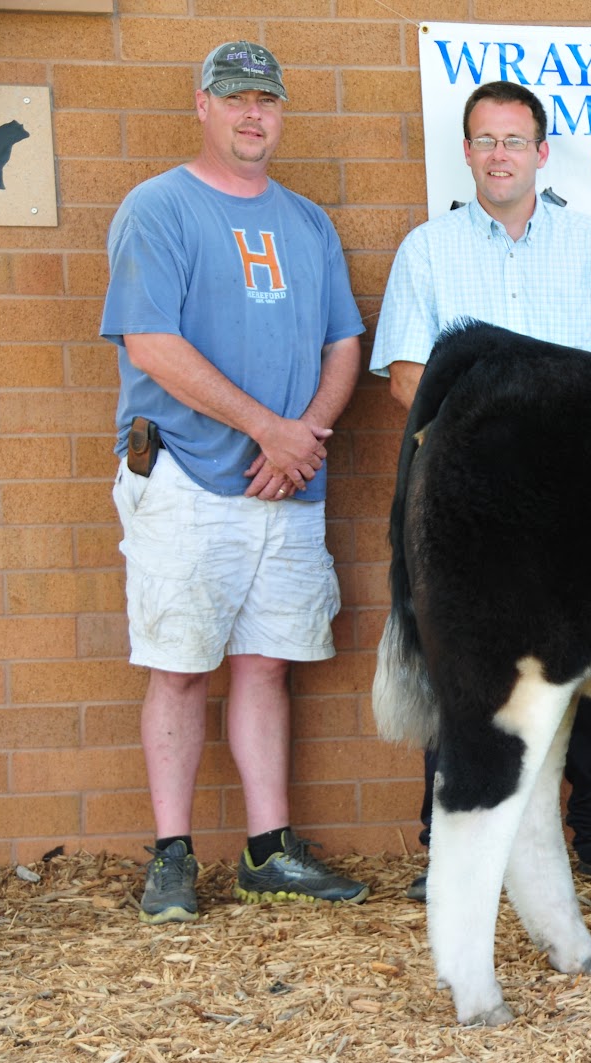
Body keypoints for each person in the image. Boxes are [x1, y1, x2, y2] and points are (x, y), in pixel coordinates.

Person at [101, 41, 369, 923]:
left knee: (265, 665)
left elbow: (343, 343)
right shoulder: (160, 208)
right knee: (179, 667)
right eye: (236, 97)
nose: (254, 113)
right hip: (185, 474)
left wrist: (305, 438)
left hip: (285, 485)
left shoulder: (305, 222)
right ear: (203, 106)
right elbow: (152, 344)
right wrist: (269, 428)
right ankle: (173, 857)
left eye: (267, 99)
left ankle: (268, 850)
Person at [371, 80, 591, 901]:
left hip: (573, 498)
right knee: (467, 668)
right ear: (467, 153)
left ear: (540, 151)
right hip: (473, 504)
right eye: (485, 141)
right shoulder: (428, 251)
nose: (500, 155)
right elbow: (406, 377)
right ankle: (449, 844)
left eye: (514, 140)